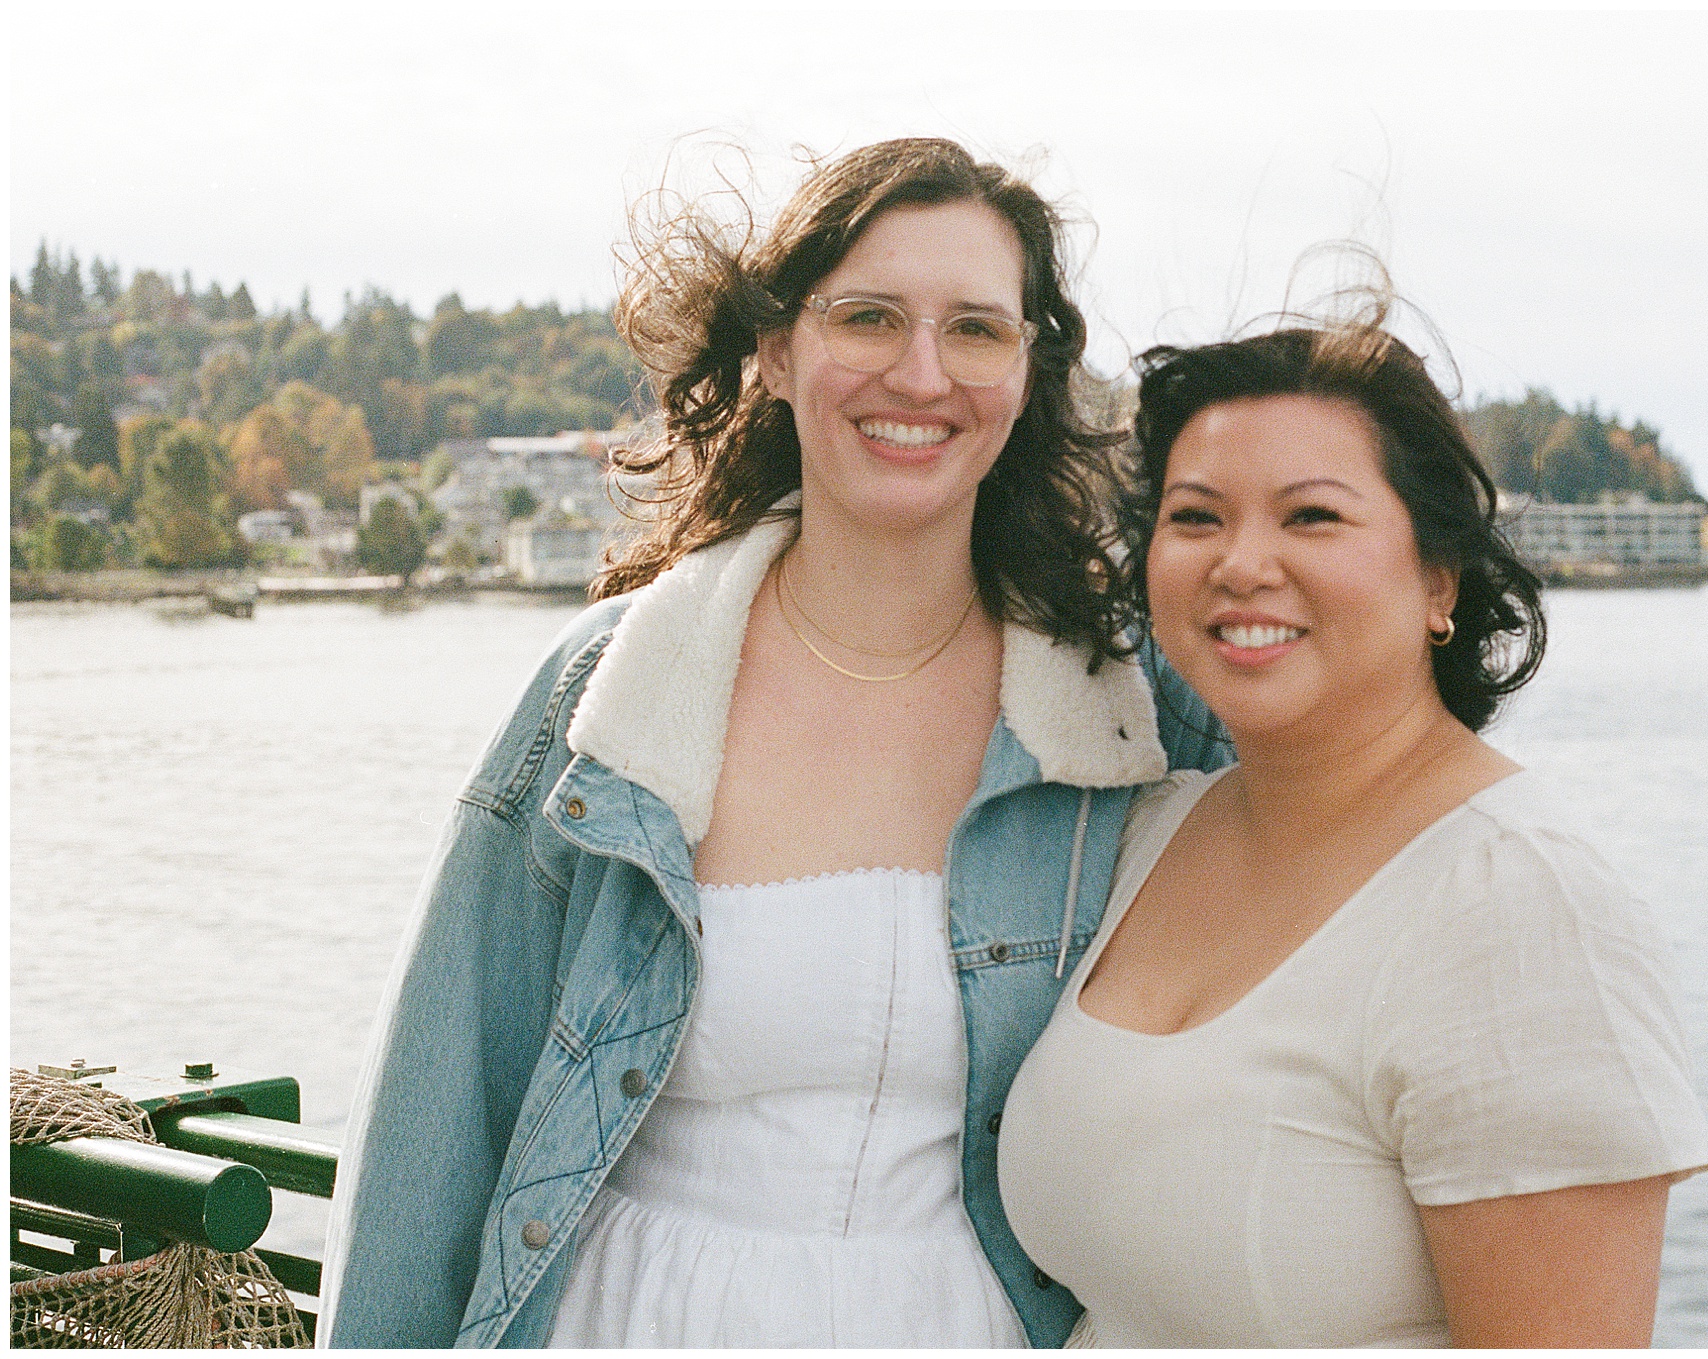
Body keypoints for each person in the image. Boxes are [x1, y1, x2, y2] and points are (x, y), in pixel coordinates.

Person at [317, 138, 1230, 1349]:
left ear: (1027, 371)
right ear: (778, 354)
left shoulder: (1130, 705)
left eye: (975, 329)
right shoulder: (613, 694)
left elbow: (1358, 843)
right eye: (867, 317)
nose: (921, 374)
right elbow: (431, 1139)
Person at [998, 317, 1708, 1347]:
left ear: (1440, 581)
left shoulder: (1517, 906)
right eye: (1196, 517)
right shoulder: (1153, 831)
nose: (1243, 564)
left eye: (1314, 517)